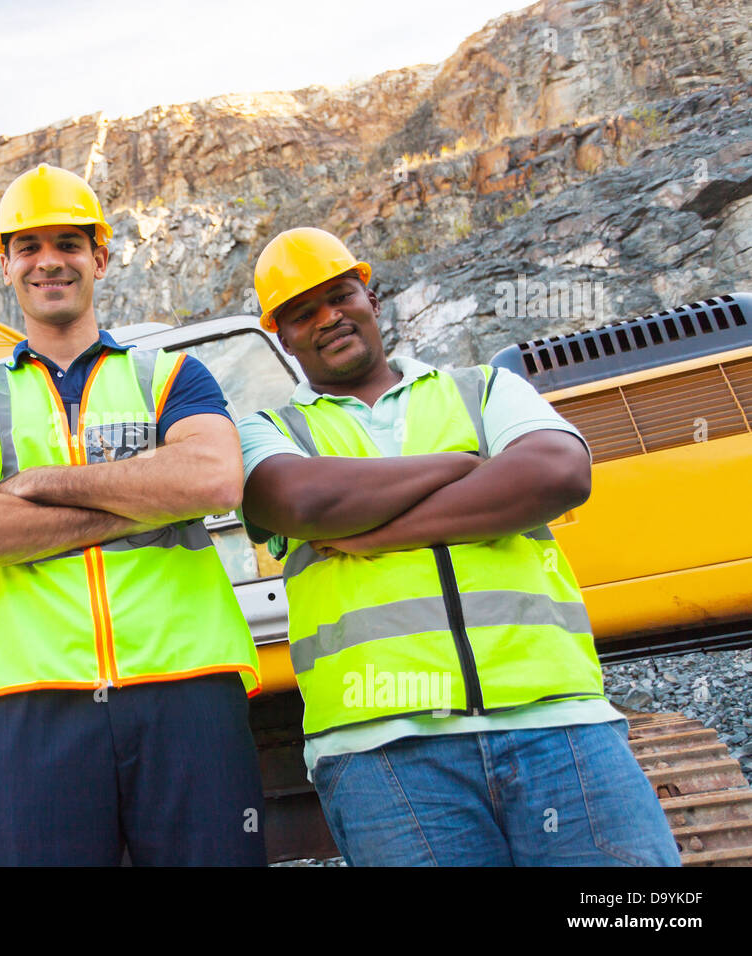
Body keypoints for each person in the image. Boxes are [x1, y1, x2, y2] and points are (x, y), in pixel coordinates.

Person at [238, 227, 680, 866]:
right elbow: (305, 504)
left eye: (340, 296)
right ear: (283, 335)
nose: (329, 318)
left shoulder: (485, 387)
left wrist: (376, 532)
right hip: (383, 749)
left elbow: (558, 473)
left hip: (556, 722)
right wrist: (469, 465)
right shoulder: (270, 431)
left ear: (372, 297)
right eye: (303, 312)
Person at [0, 164, 265, 866]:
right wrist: (141, 501)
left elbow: (216, 478)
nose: (50, 260)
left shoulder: (169, 374)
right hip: (30, 704)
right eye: (29, 246)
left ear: (99, 257)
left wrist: (39, 483)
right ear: (8, 267)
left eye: (69, 243)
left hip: (187, 686)